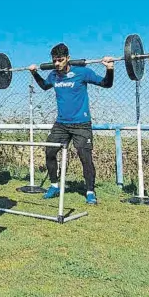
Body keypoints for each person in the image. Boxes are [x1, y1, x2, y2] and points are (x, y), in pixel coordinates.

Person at [28, 43, 115, 204]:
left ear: (68, 58)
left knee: (85, 157)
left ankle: (90, 191)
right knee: (49, 152)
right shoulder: (54, 75)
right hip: (61, 124)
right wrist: (34, 73)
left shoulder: (82, 72)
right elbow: (44, 86)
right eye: (54, 61)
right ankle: (54, 185)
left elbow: (106, 84)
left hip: (81, 123)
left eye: (60, 60)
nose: (56, 64)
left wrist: (109, 69)